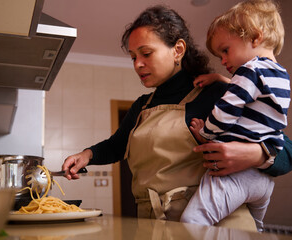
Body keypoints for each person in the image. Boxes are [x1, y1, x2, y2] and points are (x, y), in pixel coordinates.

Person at [62, 5, 292, 231]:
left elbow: (286, 149)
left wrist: (256, 155)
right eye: (133, 57)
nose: (137, 64)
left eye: (146, 53)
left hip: (220, 228)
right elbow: (117, 145)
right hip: (154, 227)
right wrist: (87, 155)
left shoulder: (215, 93)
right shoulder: (143, 106)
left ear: (178, 50)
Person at [179, 0, 290, 231]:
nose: (223, 61)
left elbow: (225, 112)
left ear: (255, 37)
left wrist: (205, 132)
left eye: (225, 50)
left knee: (190, 223)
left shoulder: (248, 70)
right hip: (264, 182)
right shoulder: (282, 75)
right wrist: (221, 80)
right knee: (256, 229)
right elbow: (255, 96)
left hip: (236, 176)